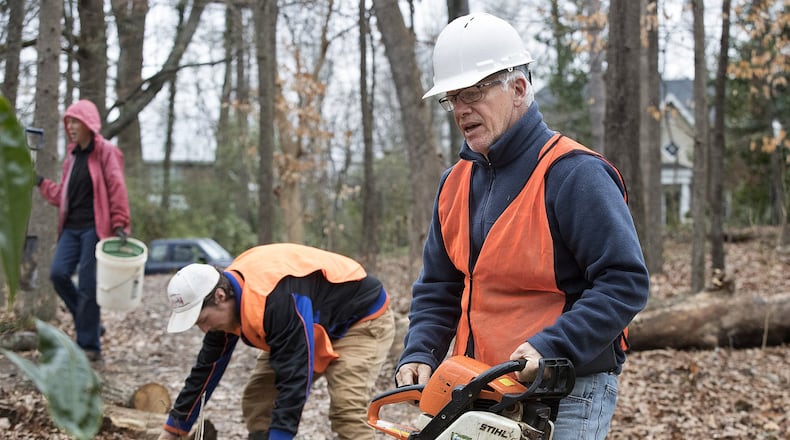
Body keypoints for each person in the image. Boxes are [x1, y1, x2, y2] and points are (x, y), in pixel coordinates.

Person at [394, 13, 650, 440]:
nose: (461, 109)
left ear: (517, 88)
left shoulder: (573, 174)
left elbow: (624, 282)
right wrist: (419, 349)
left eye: (473, 92)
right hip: (477, 386)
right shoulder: (454, 183)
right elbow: (439, 286)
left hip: (563, 390)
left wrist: (553, 346)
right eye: (452, 97)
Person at [158, 243, 395, 440]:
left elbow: (294, 376)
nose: (204, 329)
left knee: (347, 410)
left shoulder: (275, 300)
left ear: (220, 297)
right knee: (259, 396)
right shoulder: (226, 298)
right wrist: (174, 428)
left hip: (360, 321)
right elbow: (206, 371)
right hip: (309, 322)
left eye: (203, 320)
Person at [36, 98, 131, 363]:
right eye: (69, 122)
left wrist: (120, 222)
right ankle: (90, 323)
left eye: (75, 122)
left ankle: (89, 346)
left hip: (95, 228)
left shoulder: (105, 153)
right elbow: (62, 196)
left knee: (89, 286)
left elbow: (116, 187)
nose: (71, 127)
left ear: (89, 124)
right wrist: (41, 183)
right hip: (71, 228)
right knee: (58, 274)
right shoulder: (72, 158)